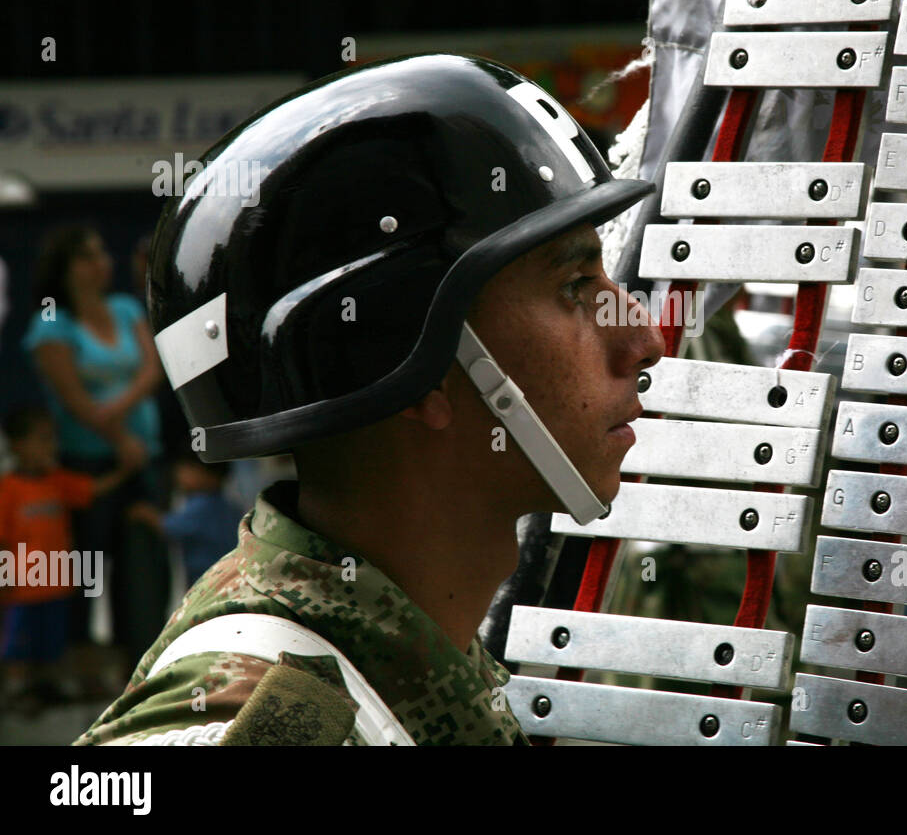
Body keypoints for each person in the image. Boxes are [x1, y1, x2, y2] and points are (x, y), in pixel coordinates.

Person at [76, 54, 664, 746]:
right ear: (403, 355)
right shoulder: (256, 719)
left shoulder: (412, 650)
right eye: (573, 288)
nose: (644, 340)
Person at [23, 225, 170, 683]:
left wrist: (123, 419)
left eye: (102, 253)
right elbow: (72, 399)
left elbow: (153, 368)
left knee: (141, 562)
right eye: (89, 256)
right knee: (87, 566)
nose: (102, 262)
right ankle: (81, 666)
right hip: (87, 462)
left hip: (143, 458)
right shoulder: (51, 323)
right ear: (67, 271)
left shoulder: (126, 308)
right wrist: (117, 437)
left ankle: (139, 662)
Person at [0, 406, 137, 714]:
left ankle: (48, 688)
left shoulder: (57, 481)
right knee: (18, 643)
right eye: (43, 439)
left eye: (53, 439)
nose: (51, 447)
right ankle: (17, 689)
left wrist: (126, 470)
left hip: (57, 583)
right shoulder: (8, 489)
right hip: (22, 589)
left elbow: (93, 489)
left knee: (52, 641)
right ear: (17, 444)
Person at [127, 454, 242, 587]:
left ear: (210, 476)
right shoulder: (229, 504)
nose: (179, 474)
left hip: (205, 574)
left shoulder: (202, 504)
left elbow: (170, 527)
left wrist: (145, 514)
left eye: (189, 469)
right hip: (229, 571)